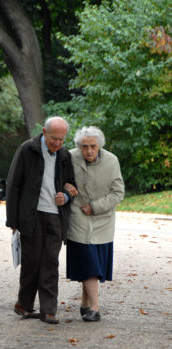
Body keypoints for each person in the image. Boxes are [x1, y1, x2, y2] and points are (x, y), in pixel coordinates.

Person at [6, 116, 77, 324]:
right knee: (32, 262)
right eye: (54, 138)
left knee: (50, 263)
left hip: (55, 216)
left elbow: (71, 184)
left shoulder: (64, 155)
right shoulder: (27, 150)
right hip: (31, 215)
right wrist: (12, 220)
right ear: (44, 133)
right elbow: (14, 185)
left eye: (62, 140)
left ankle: (49, 310)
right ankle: (24, 305)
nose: (58, 143)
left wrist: (66, 196)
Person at [65, 126, 124, 322]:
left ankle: (85, 302)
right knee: (87, 260)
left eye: (92, 146)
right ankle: (95, 307)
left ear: (99, 146)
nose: (88, 151)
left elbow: (118, 192)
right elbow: (59, 180)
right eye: (84, 147)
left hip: (102, 219)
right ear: (78, 146)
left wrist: (96, 206)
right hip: (77, 216)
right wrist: (65, 186)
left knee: (90, 263)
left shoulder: (111, 161)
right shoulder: (69, 157)